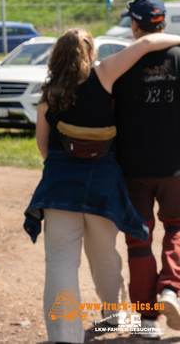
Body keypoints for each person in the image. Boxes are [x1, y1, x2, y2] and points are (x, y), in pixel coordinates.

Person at [24, 27, 180, 343]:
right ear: (91, 53)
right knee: (106, 257)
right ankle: (113, 315)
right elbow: (147, 42)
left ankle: (65, 336)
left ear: (56, 57)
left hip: (60, 188)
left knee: (61, 263)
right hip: (103, 188)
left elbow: (43, 147)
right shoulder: (103, 75)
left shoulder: (48, 93)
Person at [113, 0, 180, 337]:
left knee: (139, 241)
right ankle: (171, 289)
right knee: (177, 229)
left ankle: (147, 321)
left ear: (134, 23)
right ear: (163, 21)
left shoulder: (122, 60)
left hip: (134, 168)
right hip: (176, 168)